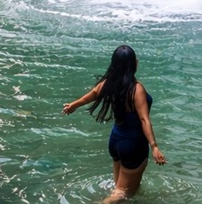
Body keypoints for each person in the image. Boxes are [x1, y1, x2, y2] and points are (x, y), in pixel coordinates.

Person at [62, 45, 166, 203]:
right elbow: (144, 119)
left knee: (118, 188)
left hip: (116, 141)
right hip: (133, 145)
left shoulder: (108, 84)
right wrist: (154, 146)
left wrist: (73, 105)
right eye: (135, 59)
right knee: (121, 195)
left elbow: (93, 94)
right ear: (133, 64)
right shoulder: (136, 90)